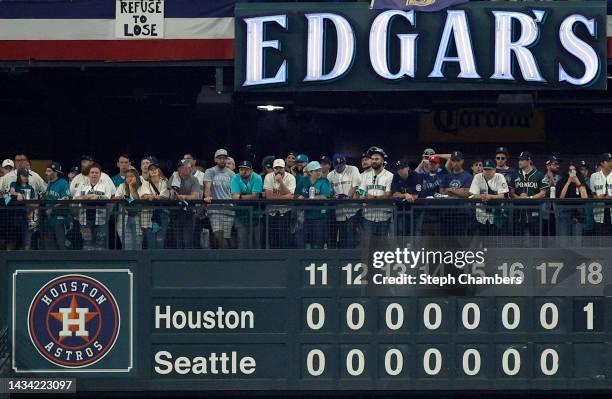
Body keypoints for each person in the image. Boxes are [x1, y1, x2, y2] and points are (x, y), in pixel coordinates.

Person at [356, 147, 394, 237]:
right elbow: (361, 192)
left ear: (382, 161)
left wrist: (373, 197)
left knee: (381, 245)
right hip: (368, 215)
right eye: (372, 159)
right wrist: (365, 195)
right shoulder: (365, 175)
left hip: (384, 215)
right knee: (368, 244)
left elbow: (387, 195)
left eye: (377, 159)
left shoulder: (390, 176)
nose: (374, 161)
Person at [75, 163, 114, 250]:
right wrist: (86, 197)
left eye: (96, 173)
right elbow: (76, 197)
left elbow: (107, 197)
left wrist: (97, 197)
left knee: (100, 243)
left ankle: (100, 263)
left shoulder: (105, 184)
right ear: (89, 174)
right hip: (84, 219)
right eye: (92, 172)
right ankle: (88, 263)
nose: (94, 174)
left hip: (100, 219)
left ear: (100, 174)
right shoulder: (82, 185)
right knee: (86, 243)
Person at [511, 151, 548, 239]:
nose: (519, 162)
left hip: (534, 209)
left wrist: (529, 198)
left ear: (529, 161)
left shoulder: (539, 174)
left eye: (522, 160)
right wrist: (519, 197)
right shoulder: (515, 174)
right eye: (519, 160)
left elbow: (543, 193)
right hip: (518, 210)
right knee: (518, 238)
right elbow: (511, 193)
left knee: (535, 237)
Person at [203, 149, 236, 249]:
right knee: (219, 236)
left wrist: (234, 203)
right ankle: (227, 260)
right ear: (215, 159)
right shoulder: (210, 171)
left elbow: (234, 192)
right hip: (215, 210)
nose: (222, 160)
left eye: (224, 158)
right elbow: (207, 188)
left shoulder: (232, 174)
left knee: (227, 237)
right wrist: (207, 196)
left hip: (228, 210)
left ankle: (231, 258)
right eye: (220, 158)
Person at [327, 153, 361, 248]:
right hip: (339, 211)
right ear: (333, 164)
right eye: (337, 166)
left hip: (353, 210)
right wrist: (336, 196)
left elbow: (355, 185)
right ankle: (344, 260)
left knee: (353, 236)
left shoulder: (353, 169)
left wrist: (347, 197)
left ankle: (354, 259)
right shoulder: (330, 175)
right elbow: (331, 191)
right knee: (342, 237)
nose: (339, 168)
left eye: (341, 165)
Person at [295, 161, 332, 249]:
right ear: (310, 172)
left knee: (317, 244)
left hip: (319, 217)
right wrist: (299, 196)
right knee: (300, 244)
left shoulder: (324, 181)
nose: (319, 172)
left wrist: (309, 198)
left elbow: (324, 196)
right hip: (303, 217)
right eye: (316, 171)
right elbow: (296, 194)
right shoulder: (303, 180)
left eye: (320, 170)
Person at [469, 160, 509, 240]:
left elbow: (503, 195)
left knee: (496, 239)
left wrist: (490, 196)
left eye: (490, 169)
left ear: (494, 170)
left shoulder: (499, 177)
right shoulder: (478, 177)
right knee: (482, 239)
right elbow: (471, 195)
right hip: (481, 213)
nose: (487, 172)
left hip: (496, 214)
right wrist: (481, 196)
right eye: (485, 169)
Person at [263, 159, 296, 248]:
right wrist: (285, 197)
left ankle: (284, 258)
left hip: (285, 211)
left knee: (284, 237)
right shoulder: (268, 177)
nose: (278, 170)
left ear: (284, 168)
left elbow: (291, 197)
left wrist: (281, 181)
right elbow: (269, 196)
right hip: (271, 211)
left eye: (280, 168)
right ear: (273, 169)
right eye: (276, 168)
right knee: (272, 238)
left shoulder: (290, 178)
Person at [440, 151, 473, 238]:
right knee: (447, 240)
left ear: (462, 161)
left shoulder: (468, 176)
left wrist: (450, 190)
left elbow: (467, 193)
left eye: (458, 160)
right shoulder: (446, 175)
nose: (456, 163)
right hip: (447, 212)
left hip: (462, 212)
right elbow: (442, 191)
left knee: (460, 240)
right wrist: (459, 191)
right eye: (454, 160)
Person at [170, 159, 202, 249]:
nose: (187, 170)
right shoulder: (174, 177)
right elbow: (170, 193)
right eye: (184, 168)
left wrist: (183, 197)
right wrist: (174, 193)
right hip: (176, 212)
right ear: (179, 169)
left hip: (189, 212)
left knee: (188, 240)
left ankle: (189, 261)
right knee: (177, 240)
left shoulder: (194, 179)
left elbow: (195, 196)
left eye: (189, 168)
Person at [231, 160, 263, 249]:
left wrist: (240, 197)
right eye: (241, 169)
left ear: (251, 170)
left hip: (256, 214)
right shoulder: (235, 178)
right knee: (242, 241)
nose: (244, 171)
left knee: (257, 241)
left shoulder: (257, 178)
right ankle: (241, 262)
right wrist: (248, 197)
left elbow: (255, 196)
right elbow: (234, 197)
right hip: (240, 215)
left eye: (246, 169)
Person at [556, 162, 589, 246]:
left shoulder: (581, 181)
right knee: (564, 241)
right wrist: (568, 182)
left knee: (577, 241)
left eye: (574, 170)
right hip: (565, 212)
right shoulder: (562, 181)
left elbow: (585, 197)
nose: (572, 172)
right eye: (570, 170)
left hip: (578, 213)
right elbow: (561, 197)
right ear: (567, 171)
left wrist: (577, 182)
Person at [392, 158, 424, 241]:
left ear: (407, 168)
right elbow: (395, 194)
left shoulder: (416, 176)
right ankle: (401, 252)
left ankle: (416, 252)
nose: (400, 171)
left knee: (416, 232)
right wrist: (405, 195)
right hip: (402, 208)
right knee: (401, 231)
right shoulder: (396, 176)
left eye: (402, 168)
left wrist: (402, 195)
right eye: (398, 168)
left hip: (417, 209)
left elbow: (415, 196)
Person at [114, 169, 145, 250]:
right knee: (127, 246)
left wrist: (131, 187)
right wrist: (119, 197)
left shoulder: (142, 186)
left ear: (136, 177)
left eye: (131, 176)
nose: (129, 178)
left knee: (137, 246)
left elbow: (138, 200)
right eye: (127, 177)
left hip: (138, 218)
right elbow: (116, 197)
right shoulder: (122, 186)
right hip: (124, 219)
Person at [141, 162, 170, 249]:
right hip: (148, 215)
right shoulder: (146, 183)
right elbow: (144, 196)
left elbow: (165, 196)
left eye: (155, 169)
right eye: (151, 170)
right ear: (149, 172)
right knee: (151, 243)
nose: (153, 171)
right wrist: (152, 197)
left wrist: (153, 197)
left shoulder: (165, 182)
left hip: (162, 214)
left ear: (158, 170)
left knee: (160, 241)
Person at [43, 162, 71, 250]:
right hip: (50, 219)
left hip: (60, 218)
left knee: (61, 244)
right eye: (46, 171)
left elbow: (66, 198)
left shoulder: (63, 183)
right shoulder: (49, 183)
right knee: (50, 246)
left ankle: (65, 263)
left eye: (49, 171)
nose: (46, 173)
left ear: (55, 172)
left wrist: (52, 208)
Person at [9, 168, 39, 250]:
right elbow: (11, 191)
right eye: (24, 176)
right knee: (14, 239)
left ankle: (26, 253)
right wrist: (18, 194)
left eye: (27, 176)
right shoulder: (14, 184)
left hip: (27, 214)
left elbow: (34, 201)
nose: (26, 177)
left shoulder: (30, 187)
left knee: (27, 238)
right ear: (19, 176)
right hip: (16, 215)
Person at [589, 153, 612, 240]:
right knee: (601, 241)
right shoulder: (594, 176)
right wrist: (599, 197)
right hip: (599, 213)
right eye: (608, 161)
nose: (611, 163)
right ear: (602, 163)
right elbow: (593, 195)